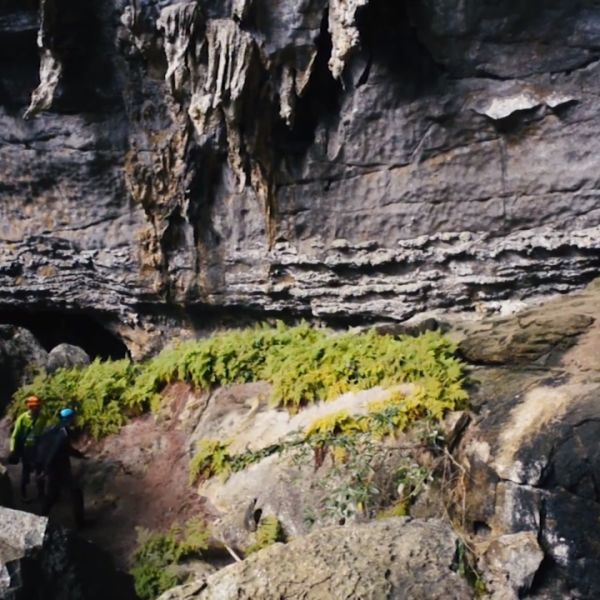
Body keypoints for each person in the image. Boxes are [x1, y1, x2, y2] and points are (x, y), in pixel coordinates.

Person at [38, 408, 87, 527]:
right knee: (75, 492)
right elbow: (55, 451)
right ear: (70, 419)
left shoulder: (54, 429)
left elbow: (63, 448)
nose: (75, 420)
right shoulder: (63, 433)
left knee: (52, 495)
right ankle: (80, 524)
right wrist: (45, 469)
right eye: (74, 417)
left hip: (54, 467)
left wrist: (79, 455)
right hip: (59, 468)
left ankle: (40, 519)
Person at [9, 395, 45, 502]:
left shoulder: (42, 418)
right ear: (31, 407)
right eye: (37, 407)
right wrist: (13, 449)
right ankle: (23, 494)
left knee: (39, 471)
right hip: (26, 450)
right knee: (26, 472)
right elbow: (15, 436)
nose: (38, 408)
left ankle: (41, 494)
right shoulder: (22, 418)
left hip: (38, 448)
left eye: (39, 406)